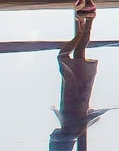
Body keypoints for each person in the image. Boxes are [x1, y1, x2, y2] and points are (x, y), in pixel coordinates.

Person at [49, 15, 114, 151]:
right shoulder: (70, 124)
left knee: (79, 52)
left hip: (79, 84)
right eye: (52, 138)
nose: (51, 134)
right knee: (64, 56)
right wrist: (70, 78)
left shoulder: (73, 128)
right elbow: (72, 97)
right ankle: (83, 26)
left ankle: (87, 23)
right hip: (75, 83)